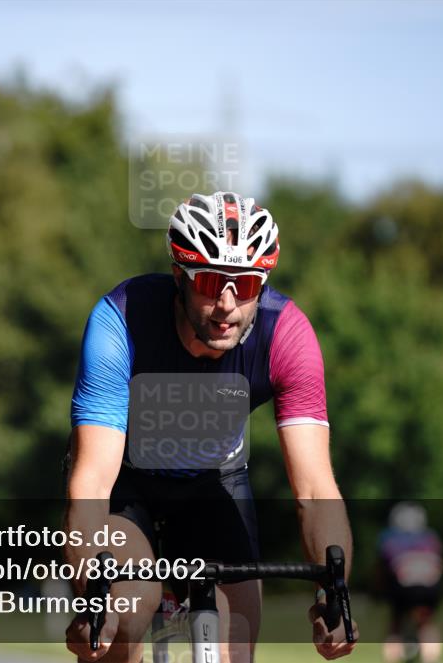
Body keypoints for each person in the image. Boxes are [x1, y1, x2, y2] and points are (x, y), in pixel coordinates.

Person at [63, 192, 356, 662]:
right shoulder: (122, 319)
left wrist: (334, 595)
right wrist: (92, 597)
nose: (226, 305)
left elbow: (315, 489)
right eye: (209, 281)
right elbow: (92, 482)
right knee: (126, 613)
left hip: (215, 483)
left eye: (245, 285)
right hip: (127, 486)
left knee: (234, 648)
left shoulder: (287, 335)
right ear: (179, 276)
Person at [377, 502, 443, 663]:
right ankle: (430, 659)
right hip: (430, 586)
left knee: (396, 624)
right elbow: (440, 565)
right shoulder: (431, 537)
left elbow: (382, 570)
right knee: (426, 623)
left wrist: (379, 592)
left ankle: (392, 657)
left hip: (403, 586)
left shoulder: (388, 537)